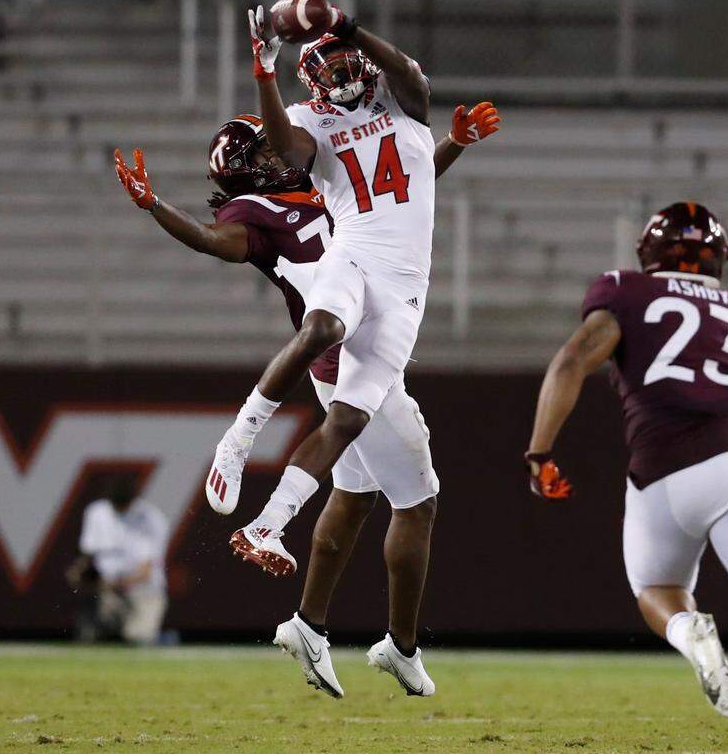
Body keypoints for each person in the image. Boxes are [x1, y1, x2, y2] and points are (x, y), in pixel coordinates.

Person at [113, 96, 499, 696]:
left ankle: (309, 624)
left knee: (354, 494)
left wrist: (454, 145)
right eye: (261, 149)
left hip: (353, 342)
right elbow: (217, 242)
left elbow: (400, 195)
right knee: (418, 501)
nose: (275, 150)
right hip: (347, 350)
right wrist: (154, 206)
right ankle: (398, 644)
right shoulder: (255, 210)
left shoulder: (319, 183)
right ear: (246, 170)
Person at [525, 202, 728, 754]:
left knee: (657, 590)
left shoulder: (626, 294)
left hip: (659, 472)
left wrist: (540, 452)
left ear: (649, 253)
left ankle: (691, 634)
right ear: (719, 260)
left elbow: (570, 362)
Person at [195, 0, 447, 697]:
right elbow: (287, 144)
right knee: (324, 326)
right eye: (328, 61)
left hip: (403, 297)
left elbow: (407, 82)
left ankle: (278, 545)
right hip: (353, 263)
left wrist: (343, 22)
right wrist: (263, 70)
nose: (341, 71)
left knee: (350, 444)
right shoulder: (314, 128)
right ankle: (239, 440)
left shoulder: (409, 110)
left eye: (346, 61)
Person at [67, 477, 169, 645]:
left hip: (143, 592)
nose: (120, 510)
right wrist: (79, 572)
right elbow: (87, 556)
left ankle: (162, 637)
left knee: (138, 639)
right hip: (107, 594)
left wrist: (114, 583)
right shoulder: (97, 513)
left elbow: (146, 572)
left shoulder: (150, 518)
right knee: (91, 637)